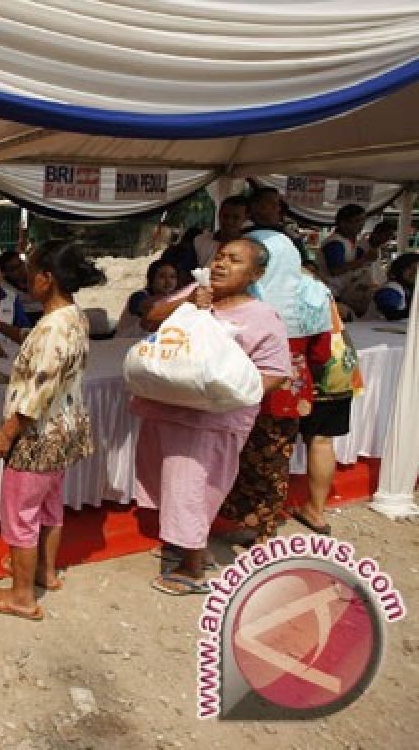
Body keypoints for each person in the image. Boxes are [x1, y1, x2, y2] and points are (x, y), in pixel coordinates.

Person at [131, 239, 290, 593]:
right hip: (168, 407)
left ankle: (193, 566)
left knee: (193, 487)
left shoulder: (263, 317)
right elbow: (149, 319)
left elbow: (275, 371)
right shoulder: (196, 292)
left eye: (234, 261)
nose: (221, 265)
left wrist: (232, 397)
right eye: (219, 257)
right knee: (167, 479)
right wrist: (188, 302)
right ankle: (179, 542)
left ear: (255, 274)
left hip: (212, 420)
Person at [0, 240, 103, 618]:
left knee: (19, 512)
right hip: (63, 432)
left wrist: (6, 432)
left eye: (31, 273)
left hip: (37, 436)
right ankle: (46, 573)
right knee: (49, 506)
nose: (26, 278)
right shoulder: (73, 317)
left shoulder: (53, 328)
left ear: (47, 279)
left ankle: (21, 596)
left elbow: (38, 391)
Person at [219, 229, 332, 543]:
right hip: (289, 391)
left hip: (240, 385)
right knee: (274, 461)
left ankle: (251, 524)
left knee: (241, 458)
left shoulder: (246, 291)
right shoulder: (314, 292)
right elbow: (322, 352)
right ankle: (263, 530)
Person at [293, 298, 362, 536]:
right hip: (340, 366)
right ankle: (316, 511)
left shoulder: (281, 283)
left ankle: (263, 517)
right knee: (323, 441)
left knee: (278, 439)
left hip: (312, 368)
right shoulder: (319, 289)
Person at [244, 186, 313, 264]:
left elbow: (305, 265)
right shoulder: (241, 232)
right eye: (271, 203)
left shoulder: (289, 236)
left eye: (277, 204)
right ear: (255, 205)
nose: (276, 207)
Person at [114, 259, 180, 339]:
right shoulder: (139, 296)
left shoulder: (174, 297)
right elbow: (148, 307)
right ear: (152, 280)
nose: (168, 281)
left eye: (172, 277)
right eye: (162, 277)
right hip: (124, 343)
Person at [193, 195, 248, 268]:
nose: (229, 221)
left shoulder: (248, 247)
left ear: (245, 218)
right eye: (225, 216)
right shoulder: (200, 240)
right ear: (219, 214)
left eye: (236, 217)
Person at [372, 252, 417, 321]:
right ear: (400, 268)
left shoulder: (407, 288)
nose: (414, 272)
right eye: (410, 268)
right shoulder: (391, 289)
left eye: (417, 269)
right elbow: (390, 315)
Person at [0, 249, 42, 322]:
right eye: (13, 269)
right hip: (23, 316)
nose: (20, 269)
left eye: (20, 264)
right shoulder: (3, 286)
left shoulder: (37, 274)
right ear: (5, 273)